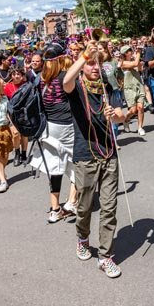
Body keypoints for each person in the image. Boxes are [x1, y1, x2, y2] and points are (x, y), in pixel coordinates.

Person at [62, 41, 122, 279]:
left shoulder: (108, 86)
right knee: (85, 206)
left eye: (98, 63)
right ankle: (83, 238)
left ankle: (106, 256)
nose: (95, 67)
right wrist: (85, 54)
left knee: (109, 208)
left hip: (109, 154)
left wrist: (115, 115)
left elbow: (122, 114)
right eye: (90, 64)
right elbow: (66, 81)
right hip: (85, 155)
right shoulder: (76, 87)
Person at [32, 43, 79, 223]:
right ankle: (72, 201)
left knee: (55, 168)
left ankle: (55, 208)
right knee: (78, 163)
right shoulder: (63, 77)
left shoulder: (40, 78)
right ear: (60, 59)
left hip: (48, 127)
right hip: (66, 125)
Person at [4, 67, 29, 167]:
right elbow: (4, 102)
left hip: (25, 113)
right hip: (12, 114)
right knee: (15, 134)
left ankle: (24, 154)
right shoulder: (7, 87)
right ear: (11, 76)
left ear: (22, 76)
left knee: (24, 135)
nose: (17, 76)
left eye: (19, 74)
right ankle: (17, 153)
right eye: (14, 74)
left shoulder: (27, 86)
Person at [118, 45, 145, 136]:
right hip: (129, 88)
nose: (131, 51)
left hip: (139, 86)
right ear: (125, 53)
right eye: (129, 50)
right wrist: (138, 53)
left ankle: (140, 127)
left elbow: (140, 69)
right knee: (133, 111)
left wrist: (140, 65)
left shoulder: (135, 60)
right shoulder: (123, 63)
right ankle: (126, 120)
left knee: (140, 107)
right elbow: (134, 64)